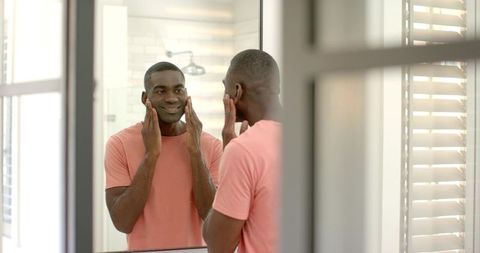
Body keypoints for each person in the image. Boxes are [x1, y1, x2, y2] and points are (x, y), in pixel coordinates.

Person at [104, 62, 222, 251]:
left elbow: (212, 218)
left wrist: (195, 152)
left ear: (187, 95)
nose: (171, 98)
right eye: (160, 91)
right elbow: (122, 222)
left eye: (178, 90)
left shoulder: (211, 145)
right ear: (145, 98)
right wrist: (151, 154)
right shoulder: (119, 144)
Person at [203, 49, 282, 253]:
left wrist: (229, 150)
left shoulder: (243, 150)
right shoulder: (312, 136)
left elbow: (218, 244)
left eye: (225, 87)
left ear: (237, 91)